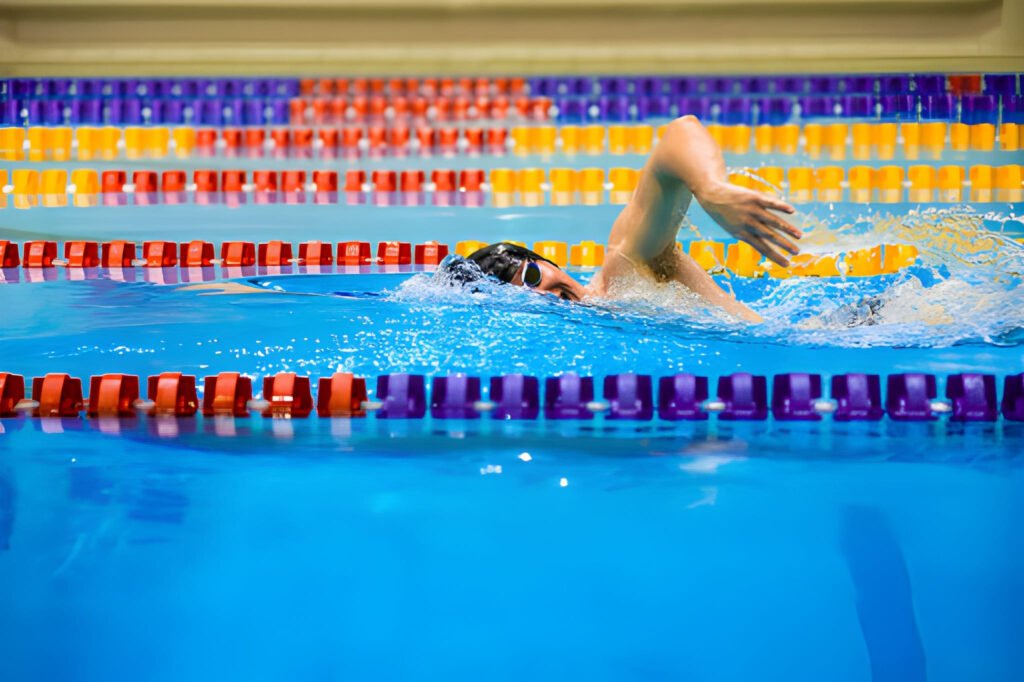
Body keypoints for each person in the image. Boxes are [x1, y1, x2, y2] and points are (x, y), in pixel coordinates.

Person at [461, 115, 803, 323]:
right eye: (525, 299)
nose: (545, 295)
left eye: (533, 275)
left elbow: (681, 134)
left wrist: (710, 188)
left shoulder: (623, 271)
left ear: (545, 261)